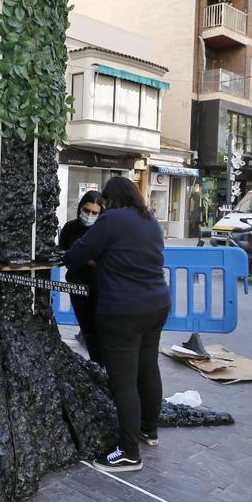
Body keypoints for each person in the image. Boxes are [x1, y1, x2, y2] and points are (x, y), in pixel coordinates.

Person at [64, 176, 170, 473]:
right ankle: (149, 431)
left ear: (111, 200)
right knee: (148, 370)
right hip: (157, 304)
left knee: (123, 382)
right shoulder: (151, 221)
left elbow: (74, 258)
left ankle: (128, 452)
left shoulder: (110, 220)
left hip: (123, 310)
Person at [57, 191, 104, 360]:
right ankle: (97, 364)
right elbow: (62, 252)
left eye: (94, 213)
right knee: (87, 330)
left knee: (102, 331)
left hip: (100, 288)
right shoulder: (70, 228)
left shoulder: (103, 230)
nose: (89, 215)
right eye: (86, 210)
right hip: (77, 285)